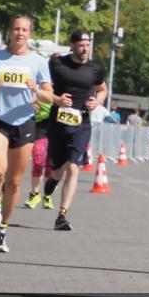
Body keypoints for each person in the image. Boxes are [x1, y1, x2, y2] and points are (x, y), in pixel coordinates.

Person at [0, 16, 53, 253]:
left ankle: (3, 230)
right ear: (10, 31)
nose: (20, 33)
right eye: (16, 28)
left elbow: (49, 96)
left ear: (30, 33)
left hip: (24, 122)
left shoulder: (38, 61)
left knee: (13, 182)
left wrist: (37, 91)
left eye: (24, 29)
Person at [41, 29, 107, 231]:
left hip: (81, 124)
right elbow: (43, 88)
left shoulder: (95, 68)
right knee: (58, 168)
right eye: (81, 44)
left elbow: (103, 89)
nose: (85, 48)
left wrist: (96, 102)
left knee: (73, 166)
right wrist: (57, 100)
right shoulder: (57, 64)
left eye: (88, 44)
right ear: (72, 45)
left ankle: (62, 215)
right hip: (58, 124)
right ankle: (52, 179)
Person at [23, 100, 55, 210]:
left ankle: (47, 195)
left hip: (55, 125)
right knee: (38, 158)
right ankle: (35, 194)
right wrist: (30, 105)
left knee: (51, 164)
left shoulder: (60, 85)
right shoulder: (36, 84)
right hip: (38, 126)